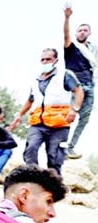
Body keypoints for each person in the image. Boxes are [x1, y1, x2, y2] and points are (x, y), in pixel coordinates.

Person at [10, 48, 83, 176]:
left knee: (54, 156)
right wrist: (19, 115)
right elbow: (30, 100)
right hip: (38, 123)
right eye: (42, 60)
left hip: (59, 124)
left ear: (56, 60)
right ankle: (33, 178)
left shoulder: (64, 75)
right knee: (31, 148)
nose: (45, 62)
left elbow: (79, 91)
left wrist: (75, 109)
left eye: (48, 59)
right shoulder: (36, 80)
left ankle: (54, 185)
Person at [63, 5, 97, 159]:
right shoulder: (71, 46)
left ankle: (70, 147)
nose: (82, 32)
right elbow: (65, 35)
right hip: (75, 86)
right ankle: (60, 145)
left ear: (89, 32)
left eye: (85, 30)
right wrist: (67, 18)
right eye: (79, 30)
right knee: (70, 115)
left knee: (85, 119)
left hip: (90, 85)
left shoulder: (93, 50)